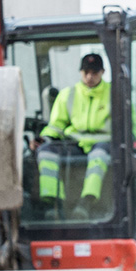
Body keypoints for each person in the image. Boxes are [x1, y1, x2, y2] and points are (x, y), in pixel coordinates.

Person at [36, 52, 112, 215]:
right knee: (46, 153)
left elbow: (130, 124)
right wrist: (45, 138)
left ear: (102, 73)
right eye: (86, 72)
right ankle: (53, 203)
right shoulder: (68, 95)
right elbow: (56, 124)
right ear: (80, 72)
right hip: (75, 144)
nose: (89, 77)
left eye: (94, 73)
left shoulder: (114, 94)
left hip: (104, 143)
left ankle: (86, 203)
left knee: (98, 156)